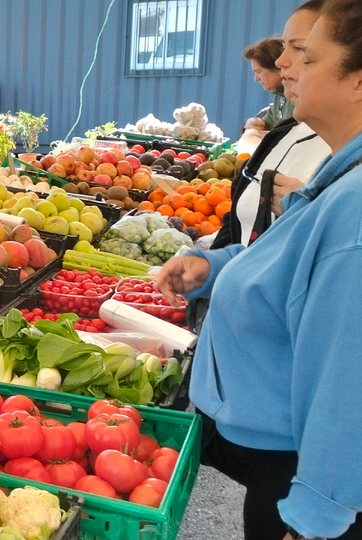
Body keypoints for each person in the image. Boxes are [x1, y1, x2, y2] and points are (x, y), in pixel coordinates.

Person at [156, 0, 362, 537]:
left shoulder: (357, 208)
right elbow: (292, 267)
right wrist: (217, 264)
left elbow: (349, 378)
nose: (288, 67)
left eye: (308, 58)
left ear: (358, 81)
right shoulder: (343, 174)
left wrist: (315, 518)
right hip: (275, 462)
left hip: (300, 486)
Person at [212, 1, 331, 248]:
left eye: (300, 48)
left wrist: (308, 214)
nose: (281, 62)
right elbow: (238, 224)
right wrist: (213, 264)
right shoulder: (284, 134)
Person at [242, 37, 293, 134]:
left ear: (278, 67)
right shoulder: (279, 95)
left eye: (259, 72)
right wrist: (251, 123)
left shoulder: (294, 98)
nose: (256, 78)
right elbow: (265, 124)